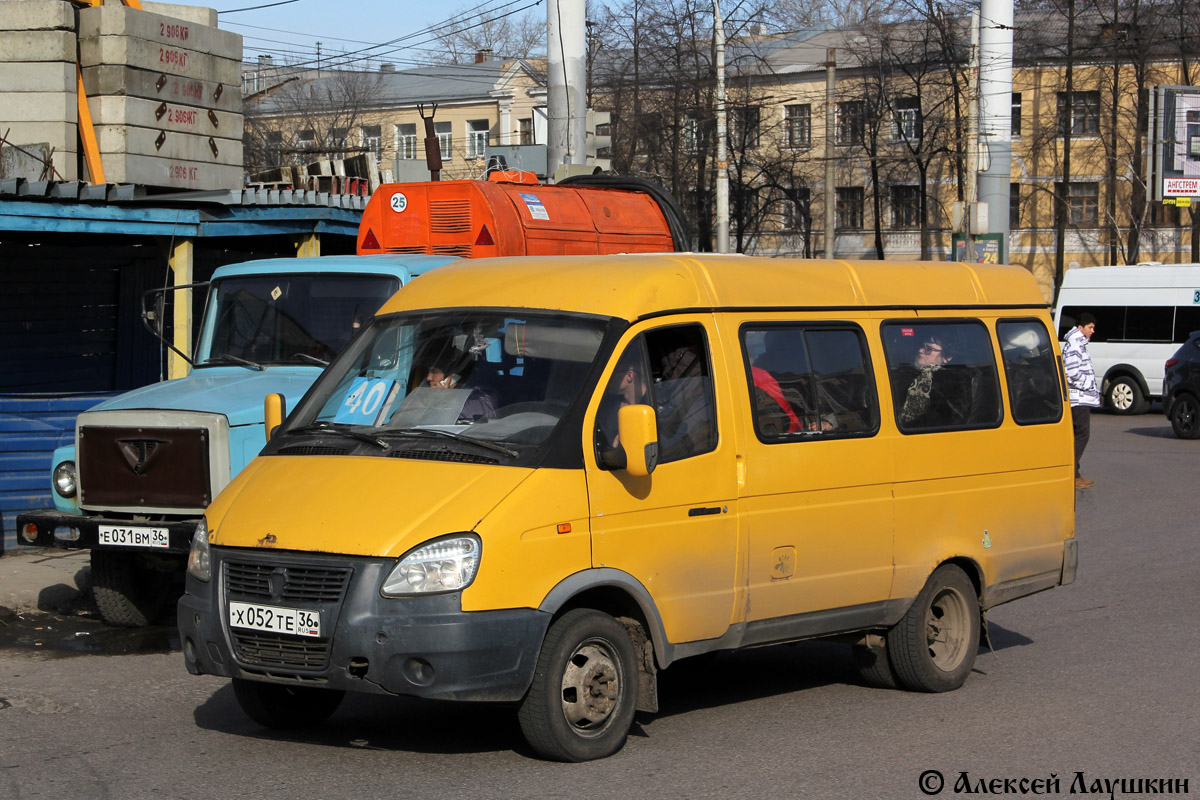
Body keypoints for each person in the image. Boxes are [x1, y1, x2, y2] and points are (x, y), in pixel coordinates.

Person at [1063, 312, 1100, 488]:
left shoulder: (1079, 344)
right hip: (1079, 398)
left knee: (1077, 435)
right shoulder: (1075, 345)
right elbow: (1072, 373)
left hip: (1081, 396)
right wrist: (1088, 384)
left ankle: (1075, 473)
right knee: (1083, 434)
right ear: (1080, 327)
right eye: (1090, 327)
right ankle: (1070, 472)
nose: (1092, 331)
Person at [899, 335, 955, 426]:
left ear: (947, 357)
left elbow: (945, 420)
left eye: (928, 349)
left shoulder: (952, 384)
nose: (920, 350)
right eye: (921, 346)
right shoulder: (905, 374)